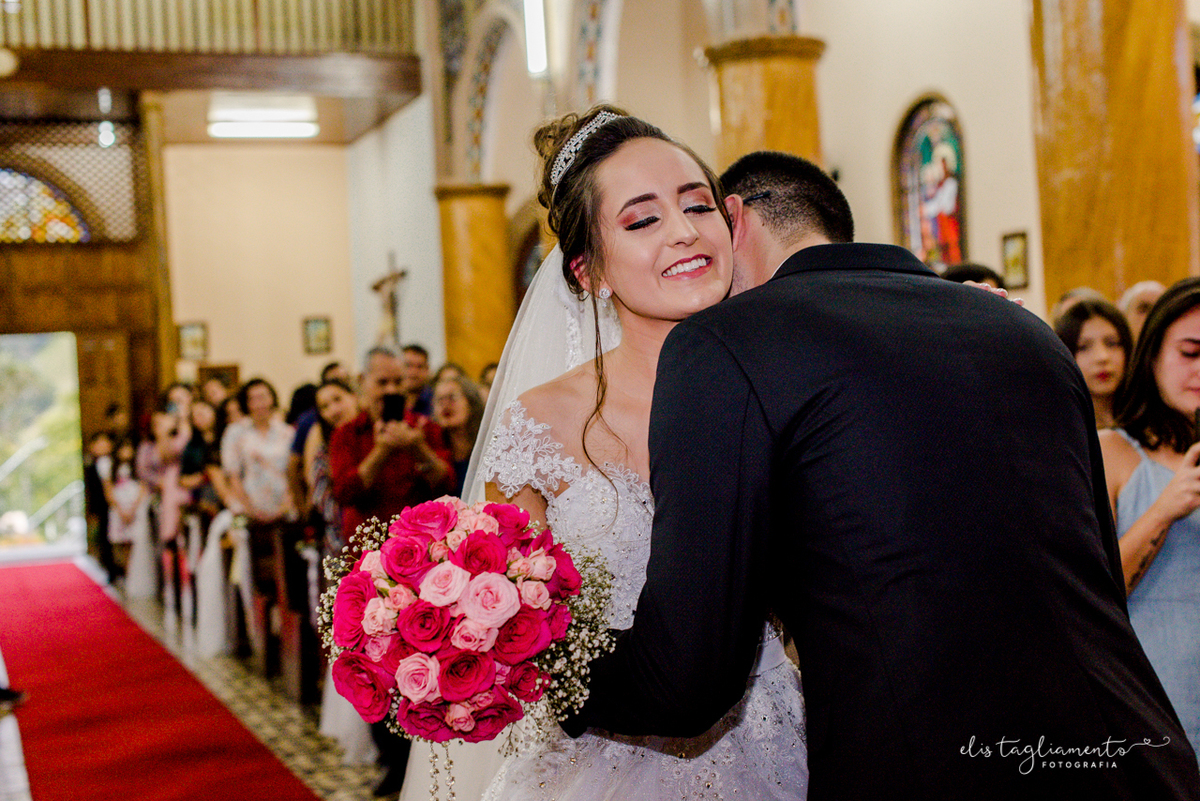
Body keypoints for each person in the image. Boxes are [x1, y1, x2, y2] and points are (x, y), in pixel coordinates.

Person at [555, 147, 1199, 799]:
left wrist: (542, 665)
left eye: (699, 212)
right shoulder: (1025, 331)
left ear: (735, 220)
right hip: (1140, 758)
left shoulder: (729, 343)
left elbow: (690, 678)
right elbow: (1093, 577)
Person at [467, 108, 808, 801]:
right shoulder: (541, 422)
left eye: (696, 205)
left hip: (775, 743)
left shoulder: (789, 392)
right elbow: (504, 617)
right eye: (642, 220)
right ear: (588, 270)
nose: (685, 231)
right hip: (599, 760)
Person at [329, 346, 454, 797]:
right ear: (363, 385)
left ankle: (419, 757)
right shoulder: (348, 433)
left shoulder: (424, 429)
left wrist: (417, 447)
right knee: (374, 667)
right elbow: (345, 490)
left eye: (396, 383)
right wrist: (381, 452)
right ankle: (387, 758)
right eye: (380, 383)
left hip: (422, 567)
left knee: (419, 663)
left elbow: (448, 484)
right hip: (366, 568)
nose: (389, 391)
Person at [1100, 276, 1200, 759]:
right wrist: (1164, 508)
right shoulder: (1114, 452)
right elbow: (1089, 596)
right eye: (1190, 352)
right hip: (1151, 706)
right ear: (1154, 354)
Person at [1054, 298, 1133, 428]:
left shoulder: (1152, 425)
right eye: (1084, 347)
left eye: (1111, 343)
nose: (1102, 357)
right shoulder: (1058, 430)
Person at [431, 373, 485, 498]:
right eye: (439, 400)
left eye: (452, 397)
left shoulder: (487, 448)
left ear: (471, 403)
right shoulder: (432, 450)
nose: (445, 405)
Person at [400, 343, 433, 416]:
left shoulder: (434, 401)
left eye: (419, 367)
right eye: (408, 365)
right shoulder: (390, 399)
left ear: (427, 370)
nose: (413, 372)